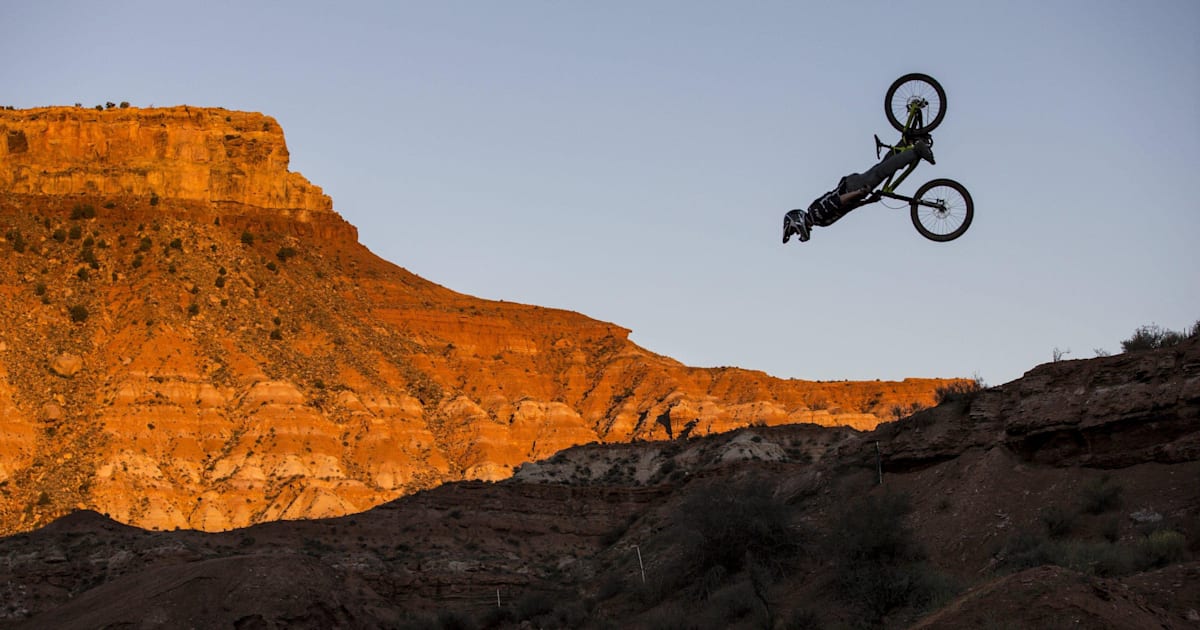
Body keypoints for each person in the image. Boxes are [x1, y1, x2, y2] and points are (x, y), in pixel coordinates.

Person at [783, 138, 935, 243]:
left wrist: (858, 192)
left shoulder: (816, 213)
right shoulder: (820, 222)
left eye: (795, 231)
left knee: (880, 172)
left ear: (797, 221)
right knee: (880, 168)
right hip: (852, 191)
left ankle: (916, 151)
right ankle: (906, 141)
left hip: (850, 188)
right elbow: (847, 209)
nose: (798, 233)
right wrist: (867, 201)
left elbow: (837, 201)